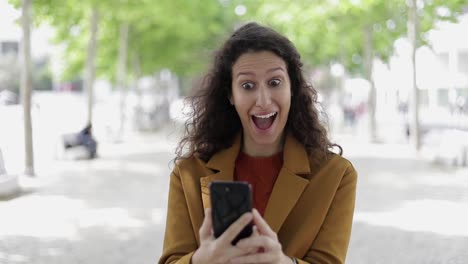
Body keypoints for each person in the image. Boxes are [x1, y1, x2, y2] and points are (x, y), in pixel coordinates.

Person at [159, 22, 357, 264]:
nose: (263, 101)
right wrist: (199, 261)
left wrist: (283, 263)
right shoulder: (187, 174)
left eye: (275, 82)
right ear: (230, 95)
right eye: (247, 86)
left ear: (292, 87)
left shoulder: (336, 175)